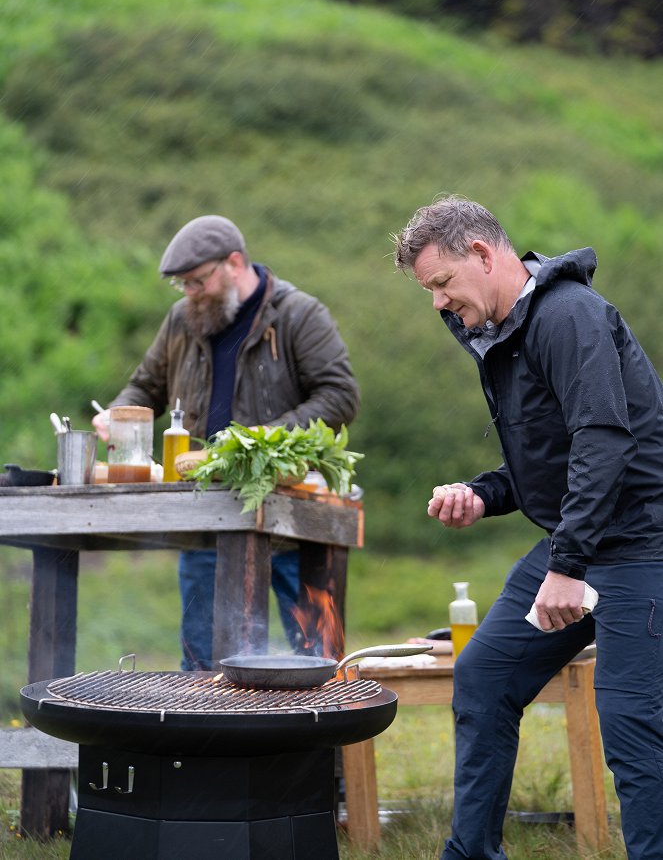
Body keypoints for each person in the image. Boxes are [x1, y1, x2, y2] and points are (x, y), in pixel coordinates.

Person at [393, 194, 663, 860]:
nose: (436, 303)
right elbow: (552, 458)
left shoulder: (567, 317)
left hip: (642, 546)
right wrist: (482, 493)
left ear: (481, 254)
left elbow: (603, 441)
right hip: (582, 543)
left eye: (440, 284)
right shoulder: (500, 332)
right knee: (483, 679)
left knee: (630, 721)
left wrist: (567, 567)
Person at [94, 214, 359, 670]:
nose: (190, 293)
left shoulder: (300, 315)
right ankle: (208, 742)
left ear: (234, 263)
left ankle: (313, 740)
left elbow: (340, 397)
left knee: (313, 658)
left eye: (197, 281)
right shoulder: (182, 319)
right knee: (202, 660)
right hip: (205, 516)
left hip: (294, 516)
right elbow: (144, 388)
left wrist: (265, 439)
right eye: (183, 285)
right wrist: (117, 416)